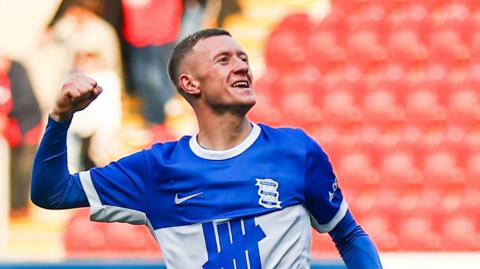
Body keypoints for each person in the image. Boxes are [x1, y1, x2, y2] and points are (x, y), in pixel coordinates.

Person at [31, 28, 383, 268]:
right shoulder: (155, 169)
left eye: (243, 57)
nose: (242, 65)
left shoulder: (296, 150)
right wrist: (60, 118)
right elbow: (52, 193)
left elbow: (349, 235)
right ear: (190, 83)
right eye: (224, 60)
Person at [0, 55, 43, 217]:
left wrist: (7, 115)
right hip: (11, 131)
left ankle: (21, 207)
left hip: (27, 128)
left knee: (23, 170)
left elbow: (26, 103)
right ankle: (14, 206)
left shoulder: (18, 74)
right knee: (12, 170)